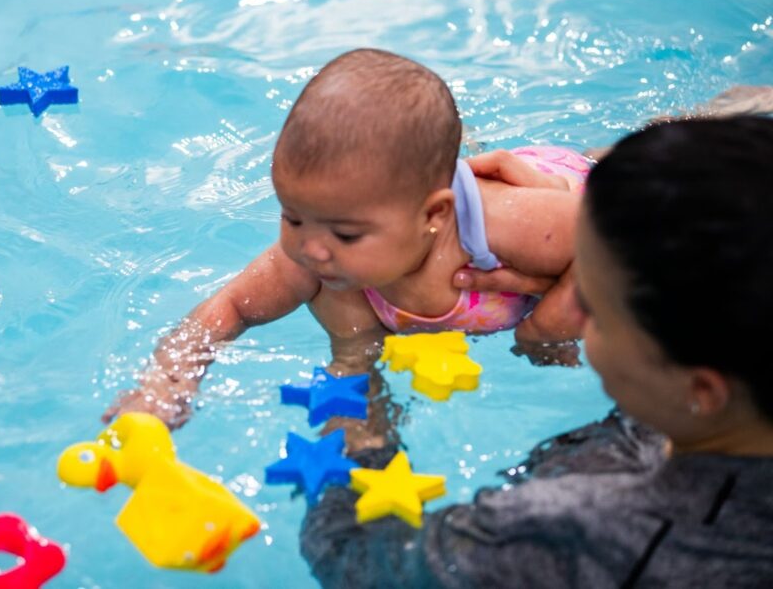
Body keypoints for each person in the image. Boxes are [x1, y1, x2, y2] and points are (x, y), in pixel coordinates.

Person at [300, 116, 773, 587]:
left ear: (702, 390)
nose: (578, 319)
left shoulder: (550, 533)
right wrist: (573, 191)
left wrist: (354, 386)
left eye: (591, 305)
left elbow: (355, 560)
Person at [105, 48, 589, 429]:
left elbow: (616, 240)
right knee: (346, 331)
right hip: (394, 251)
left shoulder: (501, 223)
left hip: (573, 194)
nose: (311, 248)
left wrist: (547, 328)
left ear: (434, 215)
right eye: (293, 218)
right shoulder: (319, 256)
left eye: (345, 233)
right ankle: (364, 407)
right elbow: (230, 308)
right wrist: (167, 383)